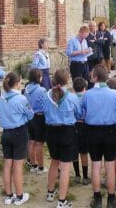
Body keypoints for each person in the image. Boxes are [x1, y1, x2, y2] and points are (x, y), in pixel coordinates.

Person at [82, 64, 116, 208]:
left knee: (96, 164)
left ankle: (97, 197)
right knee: (110, 165)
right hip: (111, 131)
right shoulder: (115, 94)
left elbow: (82, 113)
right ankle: (111, 198)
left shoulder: (87, 94)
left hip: (93, 131)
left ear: (94, 77)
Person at [43, 69, 82, 208]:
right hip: (67, 132)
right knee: (65, 167)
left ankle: (50, 192)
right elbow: (79, 114)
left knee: (54, 162)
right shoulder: (72, 97)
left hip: (51, 132)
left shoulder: (45, 95)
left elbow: (43, 110)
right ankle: (62, 201)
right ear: (67, 81)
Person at [0, 72, 33, 206]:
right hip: (19, 132)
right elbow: (30, 115)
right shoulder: (21, 98)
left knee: (7, 164)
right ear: (17, 84)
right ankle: (19, 195)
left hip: (5, 133)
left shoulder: (1, 97)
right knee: (18, 165)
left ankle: (8, 195)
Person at [24, 68, 48, 175]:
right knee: (39, 143)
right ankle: (41, 167)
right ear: (39, 77)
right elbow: (45, 105)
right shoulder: (41, 90)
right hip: (39, 117)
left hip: (30, 117)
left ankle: (33, 164)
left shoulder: (27, 88)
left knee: (31, 141)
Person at [72, 77, 90, 185]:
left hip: (73, 125)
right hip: (84, 125)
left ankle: (77, 175)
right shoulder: (87, 97)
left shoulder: (71, 98)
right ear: (85, 88)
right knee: (84, 152)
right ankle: (85, 176)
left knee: (75, 152)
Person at [87, 21, 100, 88]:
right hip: (90, 57)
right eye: (91, 26)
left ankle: (97, 86)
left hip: (98, 57)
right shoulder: (87, 35)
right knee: (91, 73)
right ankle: (90, 86)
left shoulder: (98, 34)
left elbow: (103, 42)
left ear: (96, 27)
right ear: (89, 27)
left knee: (98, 72)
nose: (92, 27)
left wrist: (96, 41)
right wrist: (96, 42)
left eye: (93, 26)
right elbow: (88, 44)